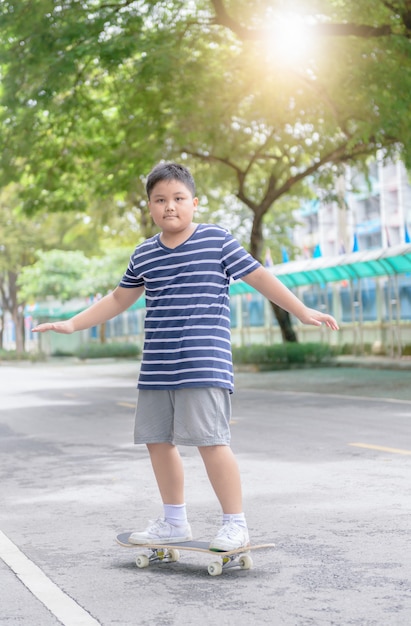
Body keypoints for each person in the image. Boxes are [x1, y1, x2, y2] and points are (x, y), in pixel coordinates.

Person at [33, 162, 339, 551]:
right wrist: (72, 324)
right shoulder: (144, 253)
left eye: (178, 199)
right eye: (160, 200)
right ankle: (174, 521)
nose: (170, 207)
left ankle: (235, 523)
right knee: (158, 441)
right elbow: (118, 298)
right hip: (158, 366)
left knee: (211, 441)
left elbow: (259, 275)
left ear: (194, 202)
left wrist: (301, 310)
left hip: (204, 363)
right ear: (150, 207)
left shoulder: (217, 240)